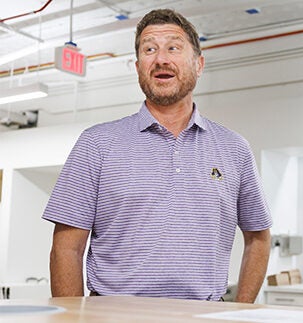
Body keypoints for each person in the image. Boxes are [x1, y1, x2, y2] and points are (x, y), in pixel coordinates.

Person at [42, 9, 272, 302]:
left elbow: (259, 238)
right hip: (113, 316)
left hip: (203, 314)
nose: (161, 58)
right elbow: (66, 248)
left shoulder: (234, 149)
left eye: (173, 48)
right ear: (138, 67)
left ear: (198, 64)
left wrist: (239, 312)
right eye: (149, 49)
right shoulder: (96, 144)